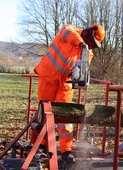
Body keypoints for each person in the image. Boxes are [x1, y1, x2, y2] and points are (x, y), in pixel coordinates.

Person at [34, 24, 105, 162]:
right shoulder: (68, 31)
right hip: (48, 76)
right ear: (87, 33)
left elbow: (82, 71)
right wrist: (81, 44)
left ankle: (66, 150)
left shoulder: (88, 53)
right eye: (92, 43)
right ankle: (42, 145)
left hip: (65, 84)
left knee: (66, 117)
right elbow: (68, 33)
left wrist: (80, 78)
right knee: (44, 112)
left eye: (94, 45)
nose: (91, 46)